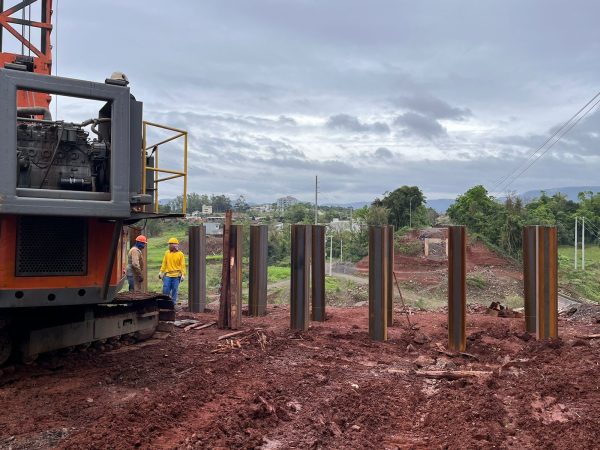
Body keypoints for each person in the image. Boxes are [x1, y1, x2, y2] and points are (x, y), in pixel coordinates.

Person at [159, 237, 186, 305]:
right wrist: (161, 272)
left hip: (177, 276)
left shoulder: (180, 254)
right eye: (169, 244)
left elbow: (182, 265)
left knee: (175, 290)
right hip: (168, 275)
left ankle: (173, 304)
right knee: (166, 290)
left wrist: (183, 274)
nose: (169, 246)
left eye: (170, 244)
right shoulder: (167, 253)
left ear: (175, 245)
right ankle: (165, 303)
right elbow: (164, 263)